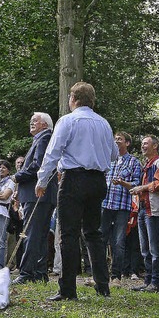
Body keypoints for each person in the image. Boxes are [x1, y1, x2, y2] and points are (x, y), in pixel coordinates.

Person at [36, 82, 118, 301]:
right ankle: (103, 285)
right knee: (93, 232)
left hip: (74, 180)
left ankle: (68, 290)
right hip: (98, 180)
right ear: (92, 100)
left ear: (73, 98)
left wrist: (42, 180)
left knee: (69, 234)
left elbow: (53, 153)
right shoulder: (104, 123)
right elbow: (113, 155)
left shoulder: (68, 121)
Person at [12, 112, 56, 284]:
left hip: (37, 194)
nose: (31, 122)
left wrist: (18, 176)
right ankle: (39, 272)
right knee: (40, 234)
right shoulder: (41, 139)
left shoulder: (44, 138)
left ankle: (27, 273)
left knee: (30, 233)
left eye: (35, 120)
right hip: (40, 194)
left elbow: (38, 165)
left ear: (44, 125)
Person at [100, 132, 142, 287]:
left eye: (120, 139)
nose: (116, 141)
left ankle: (116, 276)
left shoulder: (134, 162)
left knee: (118, 242)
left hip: (123, 207)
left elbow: (137, 184)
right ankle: (100, 275)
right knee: (100, 240)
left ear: (128, 143)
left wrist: (123, 183)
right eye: (115, 139)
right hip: (105, 205)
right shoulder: (108, 159)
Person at [129, 135, 159, 293]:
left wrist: (142, 188)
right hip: (143, 209)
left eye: (146, 143)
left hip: (155, 211)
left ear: (155, 146)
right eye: (142, 143)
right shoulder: (146, 165)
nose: (143, 146)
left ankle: (156, 284)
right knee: (145, 249)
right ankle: (148, 281)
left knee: (154, 249)